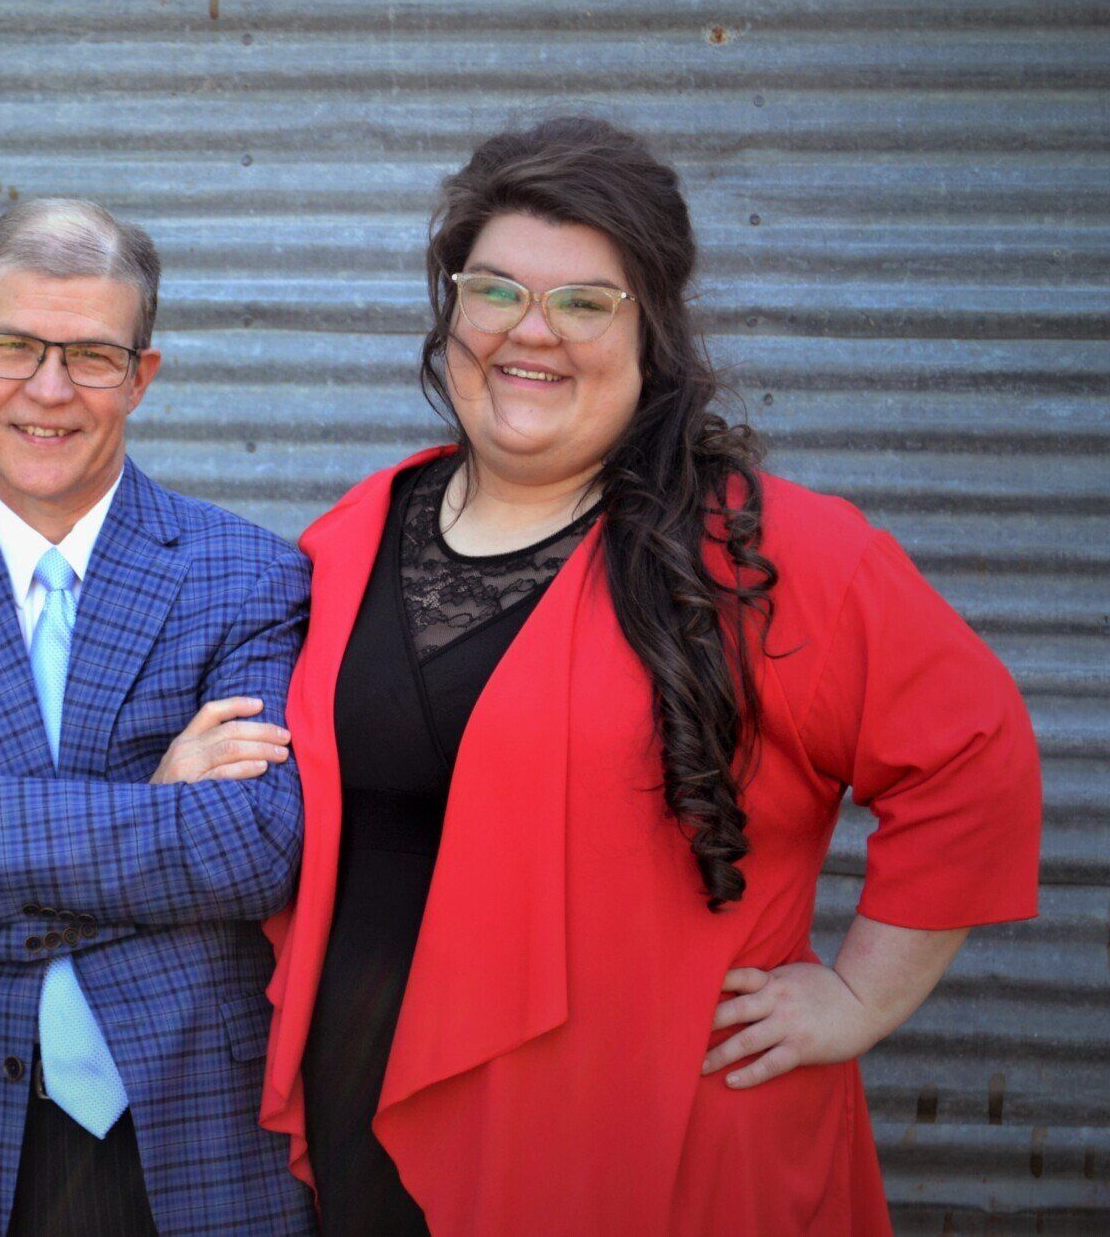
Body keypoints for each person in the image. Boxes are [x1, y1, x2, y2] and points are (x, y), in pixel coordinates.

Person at [258, 118, 1043, 1236]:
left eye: (587, 301)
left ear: (653, 331)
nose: (533, 332)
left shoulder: (765, 556)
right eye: (496, 291)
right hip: (371, 1107)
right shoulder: (350, 534)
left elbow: (975, 759)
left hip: (643, 1136)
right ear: (450, 311)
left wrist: (863, 995)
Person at [0, 198, 318, 1235]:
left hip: (198, 1135)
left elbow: (257, 846)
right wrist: (150, 809)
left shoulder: (250, 578)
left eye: (90, 355)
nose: (47, 390)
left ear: (143, 374)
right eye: (14, 348)